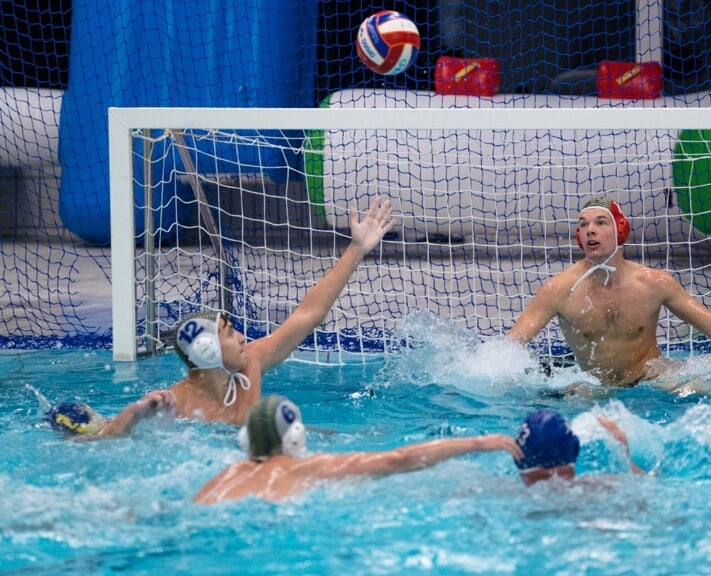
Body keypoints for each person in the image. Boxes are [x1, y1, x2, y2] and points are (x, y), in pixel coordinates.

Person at [85, 195, 395, 436]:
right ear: (209, 352)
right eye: (230, 333)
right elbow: (106, 441)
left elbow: (308, 314)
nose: (243, 338)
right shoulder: (173, 405)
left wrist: (356, 249)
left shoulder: (251, 361)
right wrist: (135, 413)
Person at [507, 196, 711, 388]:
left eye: (599, 223)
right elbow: (512, 345)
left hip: (651, 379)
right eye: (583, 225)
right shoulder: (558, 290)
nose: (590, 230)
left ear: (619, 231)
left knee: (700, 393)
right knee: (574, 407)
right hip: (594, 386)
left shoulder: (654, 284)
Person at [193, 395, 524, 503]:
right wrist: (480, 443)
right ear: (294, 436)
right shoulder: (308, 466)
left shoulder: (226, 474)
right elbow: (400, 459)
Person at [514, 409, 643, 486]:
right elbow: (647, 480)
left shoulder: (504, 490)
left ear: (518, 454)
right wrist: (624, 453)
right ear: (575, 449)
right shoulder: (604, 486)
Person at [44, 390, 175, 439]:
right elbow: (116, 431)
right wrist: (138, 408)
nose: (100, 417)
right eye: (94, 415)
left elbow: (117, 422)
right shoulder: (83, 439)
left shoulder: (68, 438)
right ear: (87, 426)